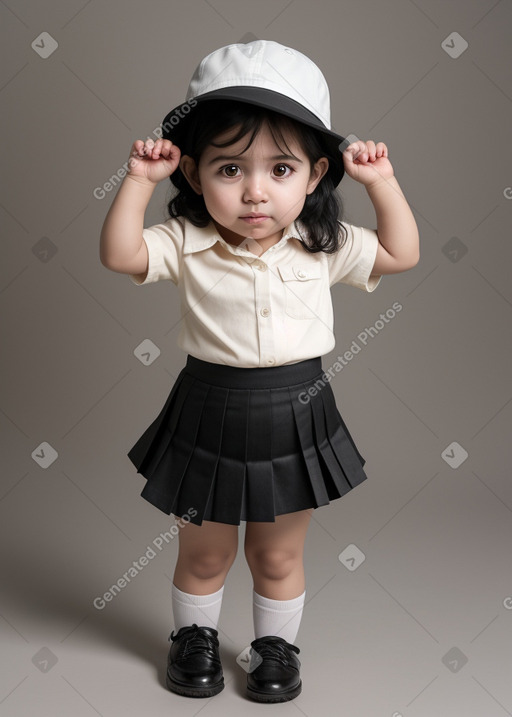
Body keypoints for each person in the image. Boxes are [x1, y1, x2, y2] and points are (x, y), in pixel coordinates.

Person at [99, 40, 419, 703]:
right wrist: (136, 179)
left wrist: (381, 182)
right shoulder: (189, 241)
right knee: (205, 551)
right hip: (207, 406)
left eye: (280, 168)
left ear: (315, 174)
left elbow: (400, 252)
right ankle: (195, 640)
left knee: (276, 553)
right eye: (228, 168)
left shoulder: (322, 245)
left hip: (297, 409)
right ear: (190, 173)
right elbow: (120, 253)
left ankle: (275, 648)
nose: (254, 191)